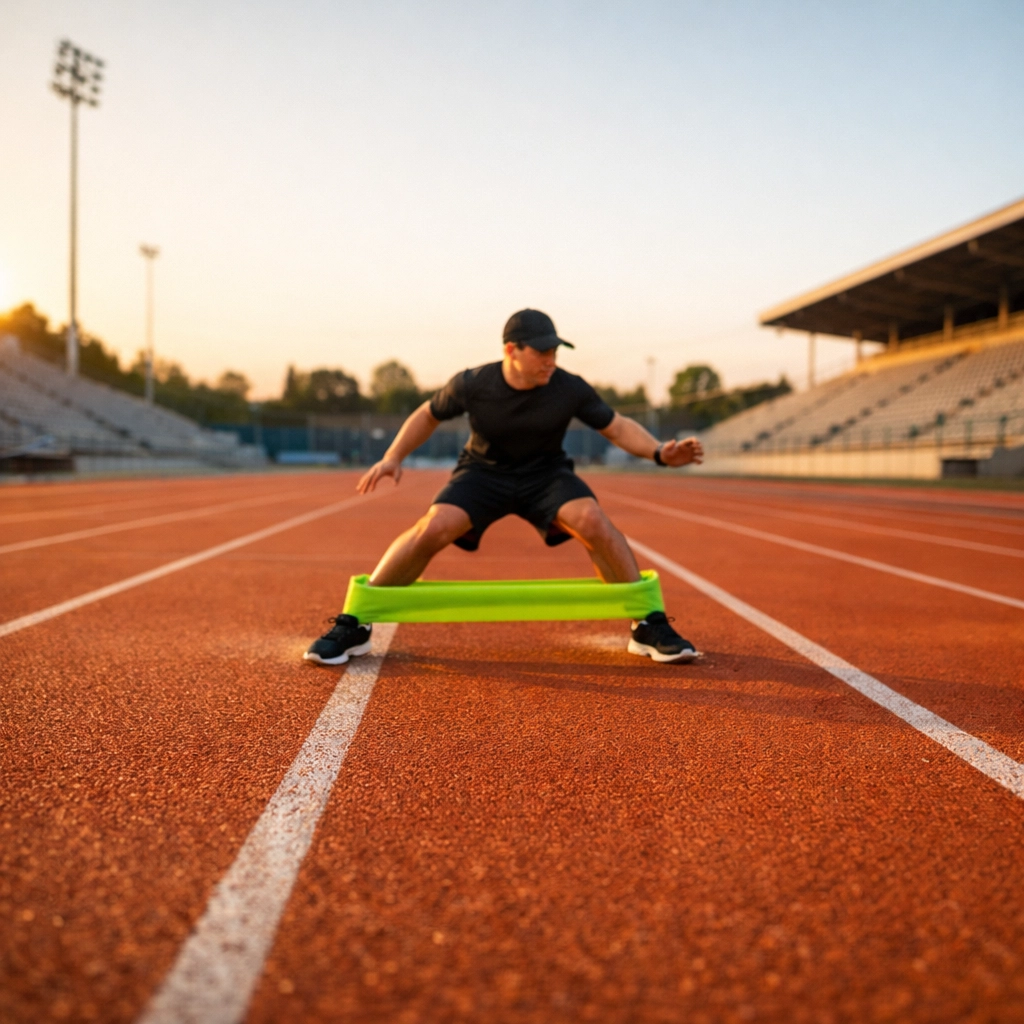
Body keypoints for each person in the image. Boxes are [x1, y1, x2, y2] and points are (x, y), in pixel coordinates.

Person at [304, 309, 704, 667]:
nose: (551, 360)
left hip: (546, 475)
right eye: (542, 352)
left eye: (555, 352)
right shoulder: (473, 383)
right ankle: (357, 622)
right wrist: (393, 457)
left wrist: (658, 452)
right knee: (433, 526)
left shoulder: (569, 387)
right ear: (512, 350)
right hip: (482, 473)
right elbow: (427, 415)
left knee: (592, 520)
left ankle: (646, 624)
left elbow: (616, 426)